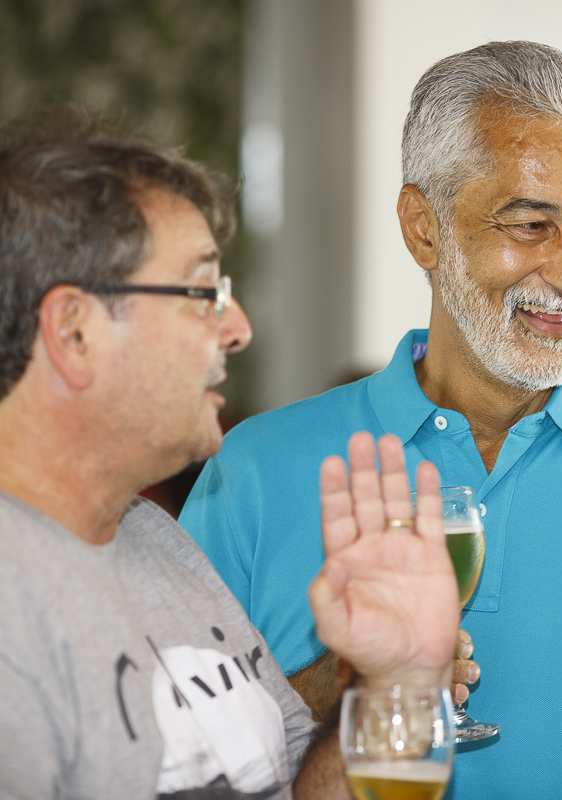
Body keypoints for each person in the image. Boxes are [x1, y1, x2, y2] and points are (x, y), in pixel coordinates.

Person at [180, 40, 562, 800]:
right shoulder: (251, 472)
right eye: (531, 224)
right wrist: (356, 682)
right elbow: (177, 761)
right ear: (423, 228)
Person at [0, 108, 461, 798]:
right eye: (201, 291)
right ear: (74, 333)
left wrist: (389, 682)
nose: (238, 328)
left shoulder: (154, 538)